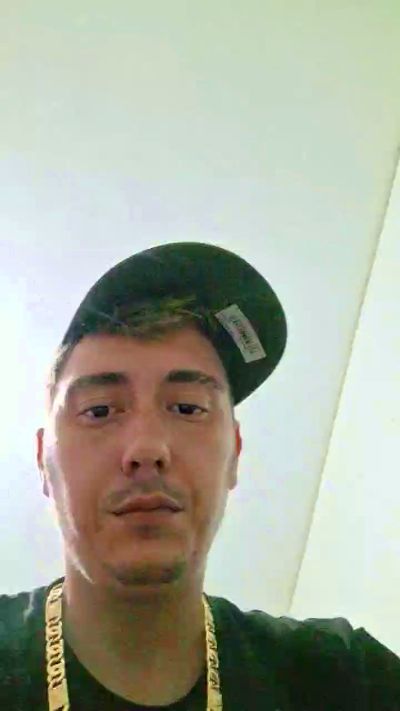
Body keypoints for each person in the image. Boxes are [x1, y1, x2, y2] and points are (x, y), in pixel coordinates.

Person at [0, 242, 399, 710]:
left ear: (234, 454)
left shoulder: (345, 678)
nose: (147, 449)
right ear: (43, 461)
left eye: (188, 408)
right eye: (100, 410)